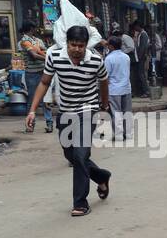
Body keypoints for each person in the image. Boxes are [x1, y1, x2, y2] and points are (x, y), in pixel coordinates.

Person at [26, 25, 111, 217]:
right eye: (73, 45)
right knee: (71, 155)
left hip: (88, 110)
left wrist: (104, 106)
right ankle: (101, 176)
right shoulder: (54, 57)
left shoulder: (96, 60)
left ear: (86, 45)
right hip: (65, 112)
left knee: (80, 155)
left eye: (81, 45)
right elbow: (44, 82)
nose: (77, 49)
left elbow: (104, 82)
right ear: (67, 43)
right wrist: (32, 111)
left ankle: (80, 203)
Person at [19, 23, 54, 133]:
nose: (36, 30)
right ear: (31, 29)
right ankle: (30, 124)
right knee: (32, 99)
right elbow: (33, 55)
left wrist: (45, 55)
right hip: (32, 73)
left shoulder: (37, 40)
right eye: (34, 28)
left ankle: (49, 123)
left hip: (42, 71)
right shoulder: (24, 41)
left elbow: (45, 51)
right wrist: (47, 58)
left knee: (46, 98)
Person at [103, 35, 133, 141]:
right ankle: (128, 133)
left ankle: (119, 134)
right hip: (126, 88)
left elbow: (105, 76)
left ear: (111, 46)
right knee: (127, 111)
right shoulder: (126, 57)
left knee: (116, 112)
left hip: (114, 89)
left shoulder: (109, 58)